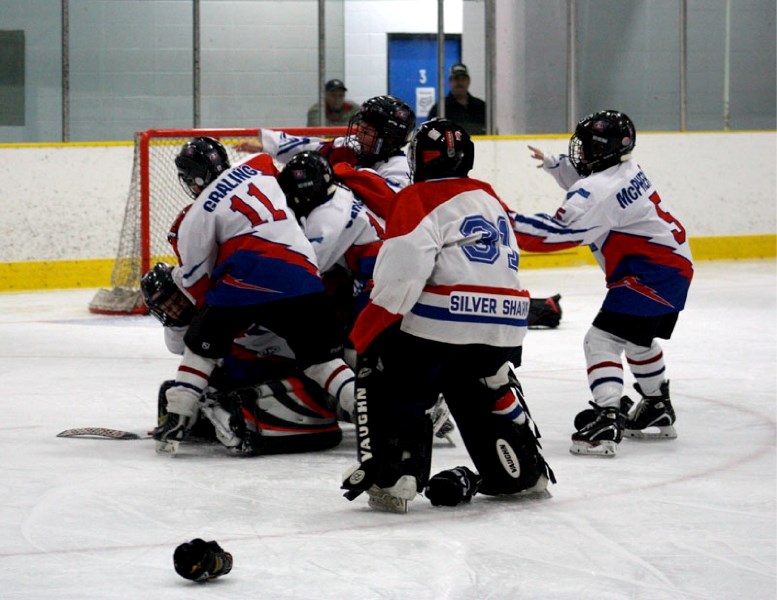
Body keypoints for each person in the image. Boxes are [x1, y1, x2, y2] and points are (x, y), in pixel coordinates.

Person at [340, 118, 555, 513]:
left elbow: (400, 279)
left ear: (420, 158)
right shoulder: (489, 197)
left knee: (392, 371)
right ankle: (523, 472)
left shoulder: (417, 197)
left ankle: (395, 477)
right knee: (478, 382)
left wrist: (365, 333)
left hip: (444, 326)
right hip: (505, 328)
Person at [152, 136, 356, 455]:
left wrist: (209, 323)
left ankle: (179, 418)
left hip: (245, 287)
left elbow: (198, 287)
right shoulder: (259, 165)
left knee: (201, 353)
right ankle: (373, 412)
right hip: (302, 272)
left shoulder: (194, 217)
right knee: (325, 361)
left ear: (192, 180)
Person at [513, 110, 694, 457]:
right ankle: (657, 404)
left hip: (649, 276)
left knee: (601, 340)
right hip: (675, 269)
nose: (579, 152)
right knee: (637, 340)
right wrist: (555, 164)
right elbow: (591, 184)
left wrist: (503, 219)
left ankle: (608, 416)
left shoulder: (599, 190)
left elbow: (556, 233)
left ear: (604, 149)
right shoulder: (625, 170)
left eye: (587, 145)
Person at [141, 261, 343, 456]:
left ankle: (225, 411)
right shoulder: (193, 323)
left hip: (296, 358)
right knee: (206, 382)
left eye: (175, 299)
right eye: (166, 307)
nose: (175, 309)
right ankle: (217, 411)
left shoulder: (222, 295)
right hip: (262, 361)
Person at [234, 94, 416, 220]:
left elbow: (392, 206)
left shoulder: (400, 167)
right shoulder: (355, 147)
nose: (359, 135)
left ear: (388, 137)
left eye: (366, 131)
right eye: (360, 128)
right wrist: (270, 144)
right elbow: (313, 148)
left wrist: (347, 173)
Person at [427, 63, 486, 135]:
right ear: (450, 82)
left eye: (463, 79)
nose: (459, 83)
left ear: (468, 81)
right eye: (456, 79)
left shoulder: (481, 107)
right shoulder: (439, 109)